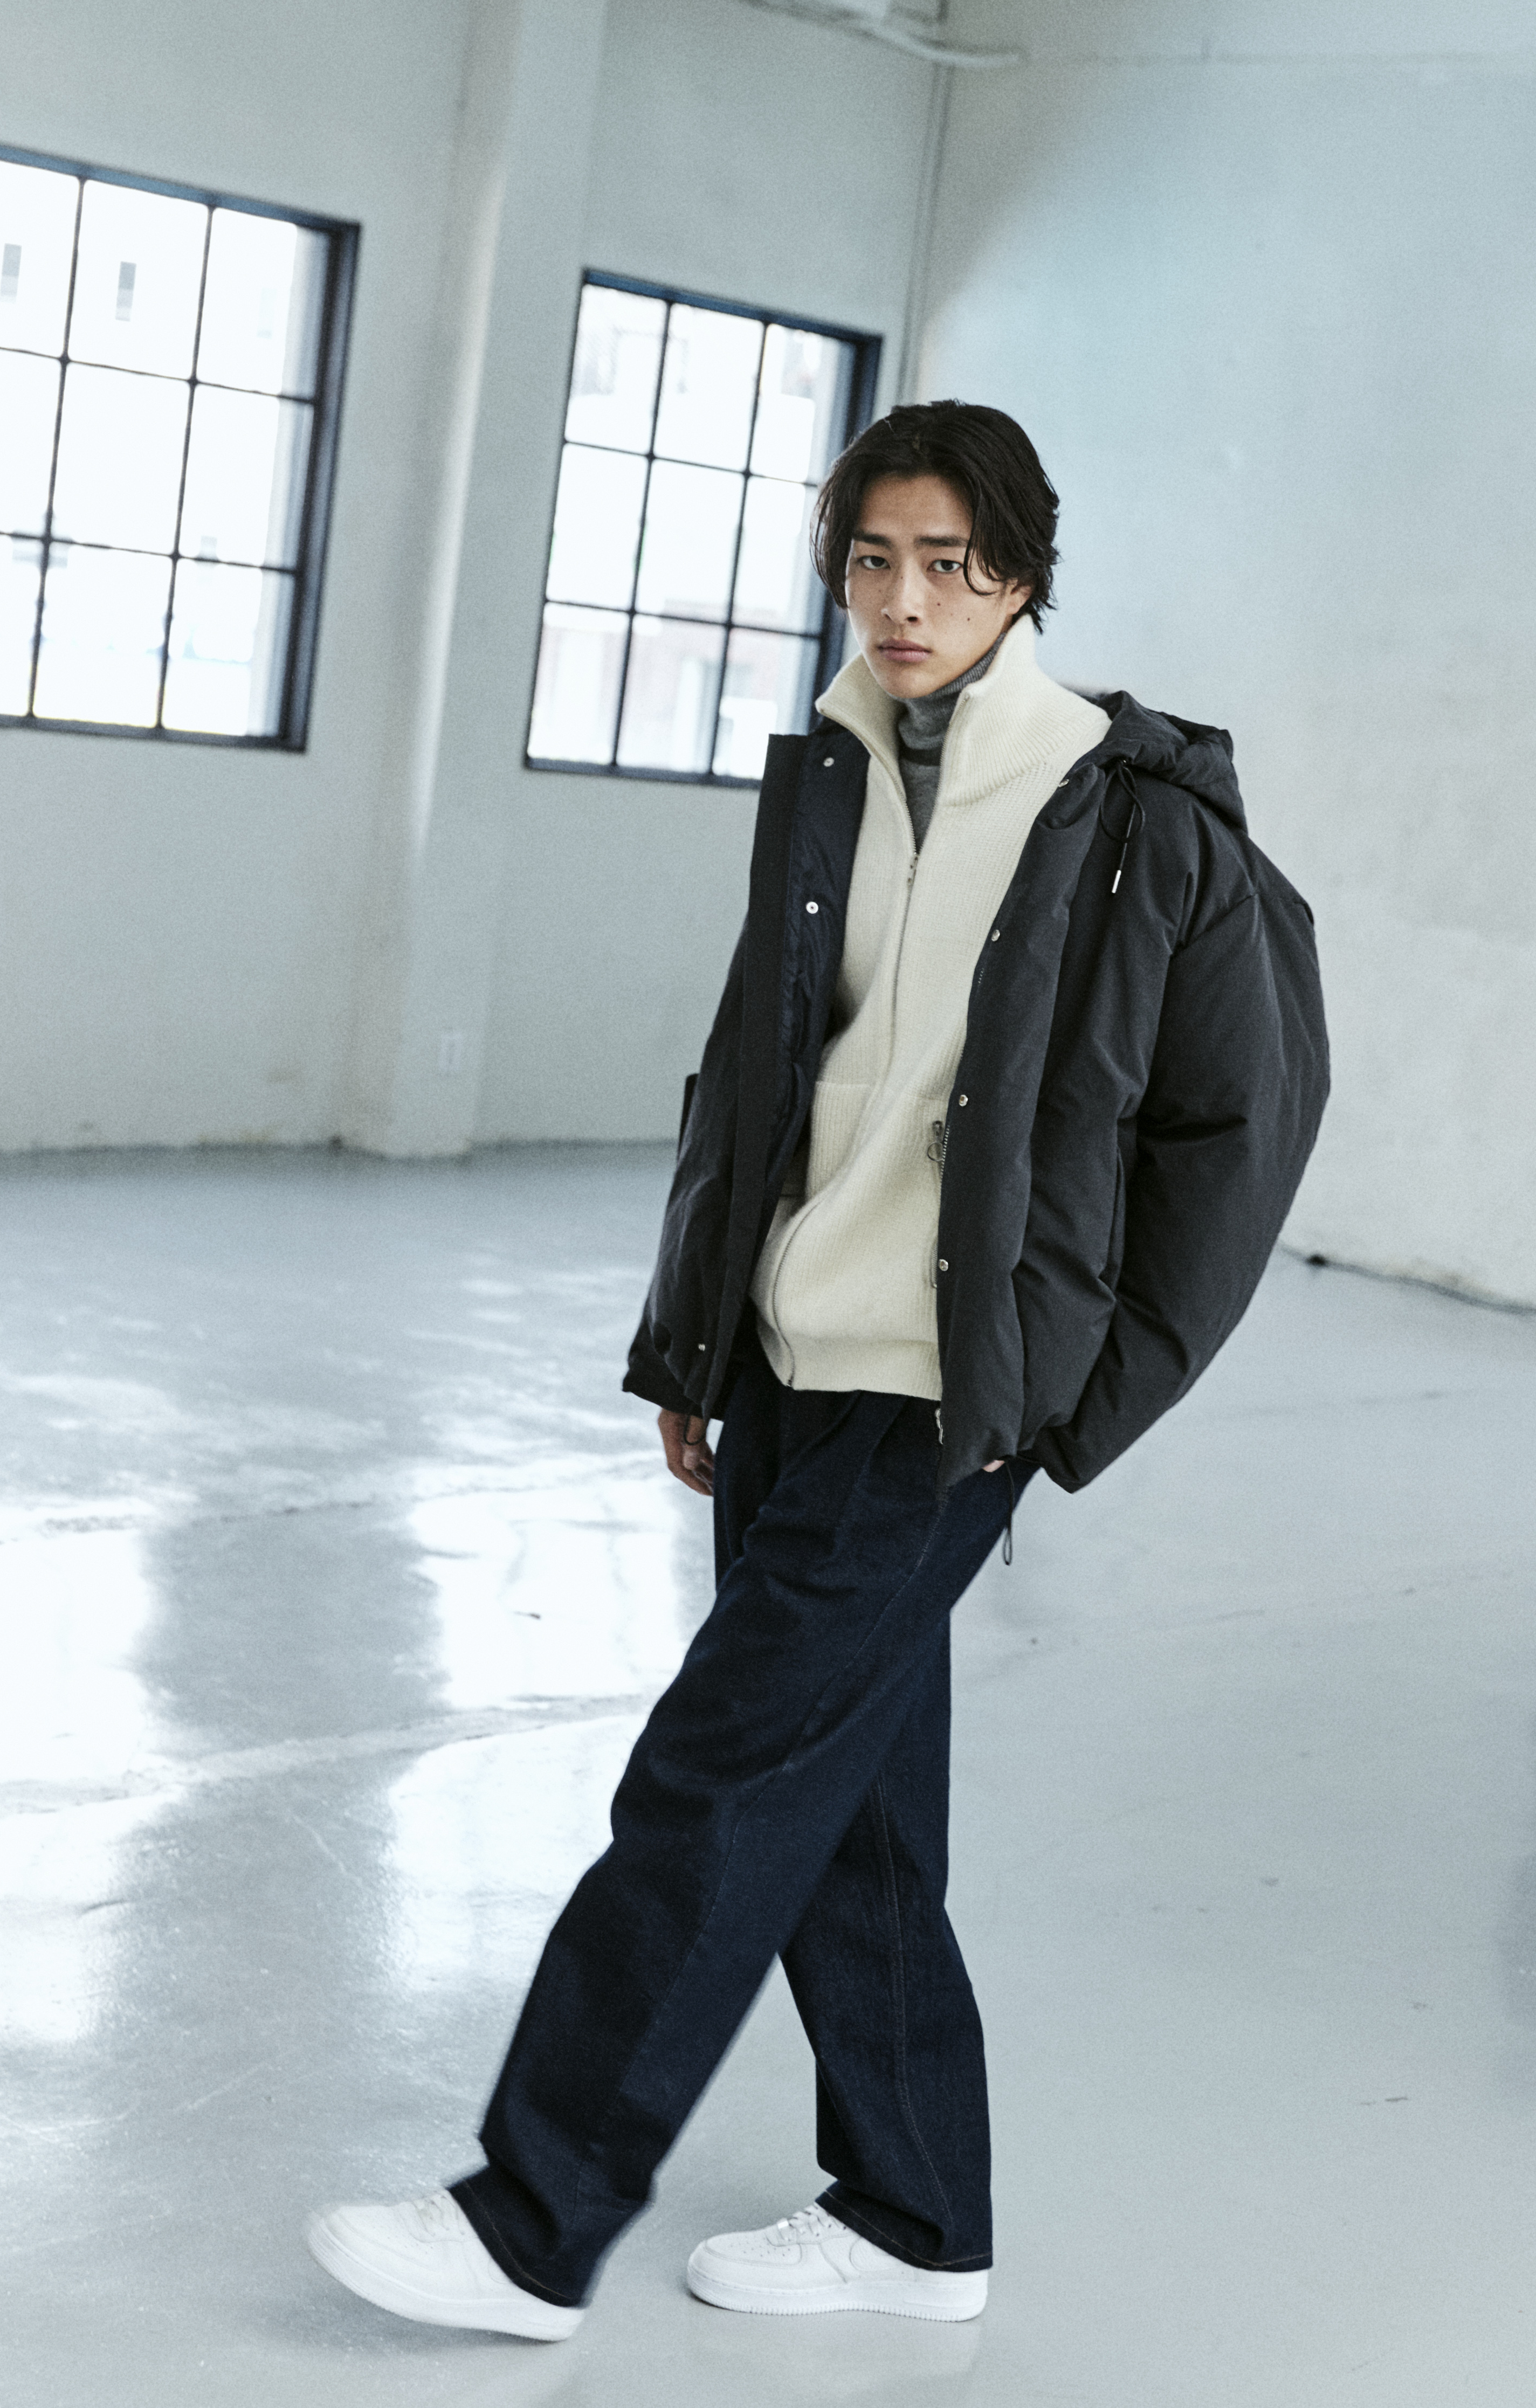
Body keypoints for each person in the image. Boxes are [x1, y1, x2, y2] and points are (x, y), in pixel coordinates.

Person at [305, 401, 1330, 2338]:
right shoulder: (837, 773)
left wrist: (1070, 1395)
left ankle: (532, 2221)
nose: (904, 599)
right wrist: (698, 1334)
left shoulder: (1136, 814)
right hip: (790, 1357)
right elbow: (759, 1074)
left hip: (945, 1399)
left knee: (712, 1777)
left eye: (949, 562)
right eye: (872, 560)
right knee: (848, 1815)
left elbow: (1242, 1127)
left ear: (1021, 573)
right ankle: (920, 2214)